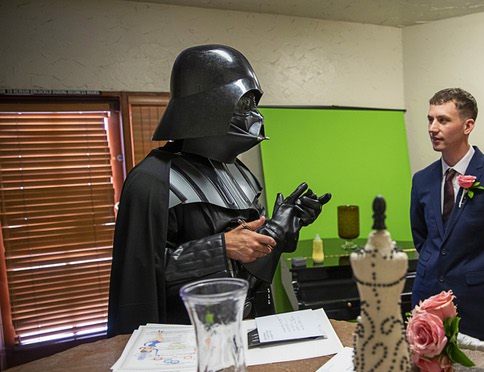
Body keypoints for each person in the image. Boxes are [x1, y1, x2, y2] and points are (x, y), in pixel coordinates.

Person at [107, 45, 331, 336]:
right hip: (186, 339)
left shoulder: (239, 173)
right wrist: (220, 247)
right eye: (243, 103)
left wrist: (282, 227)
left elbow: (249, 264)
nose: (255, 115)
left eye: (254, 103)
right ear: (207, 108)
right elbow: (140, 280)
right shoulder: (152, 182)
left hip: (248, 328)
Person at [410, 88, 484, 341]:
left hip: (477, 301)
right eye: (430, 119)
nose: (433, 128)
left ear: (468, 125)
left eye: (443, 120)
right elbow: (421, 236)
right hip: (426, 295)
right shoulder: (421, 180)